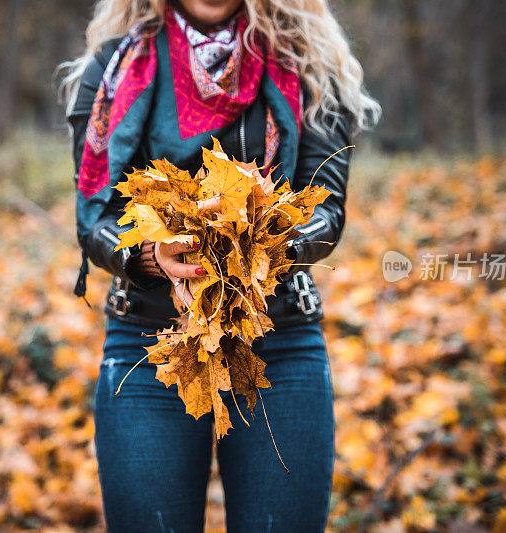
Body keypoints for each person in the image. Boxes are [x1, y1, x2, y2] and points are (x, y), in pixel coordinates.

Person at [60, 0, 379, 530]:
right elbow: (93, 219)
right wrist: (148, 253)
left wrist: (260, 240)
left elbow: (327, 209)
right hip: (147, 344)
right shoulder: (115, 67)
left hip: (279, 340)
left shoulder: (309, 62)